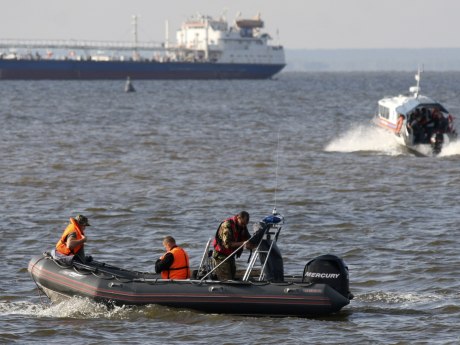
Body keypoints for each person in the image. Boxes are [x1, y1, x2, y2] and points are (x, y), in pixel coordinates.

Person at [212, 211, 255, 281]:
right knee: (226, 279)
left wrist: (252, 244)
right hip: (221, 256)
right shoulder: (227, 225)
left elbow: (248, 239)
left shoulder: (242, 226)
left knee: (232, 276)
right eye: (243, 223)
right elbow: (228, 244)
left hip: (230, 255)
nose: (244, 226)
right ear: (238, 217)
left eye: (245, 224)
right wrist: (243, 243)